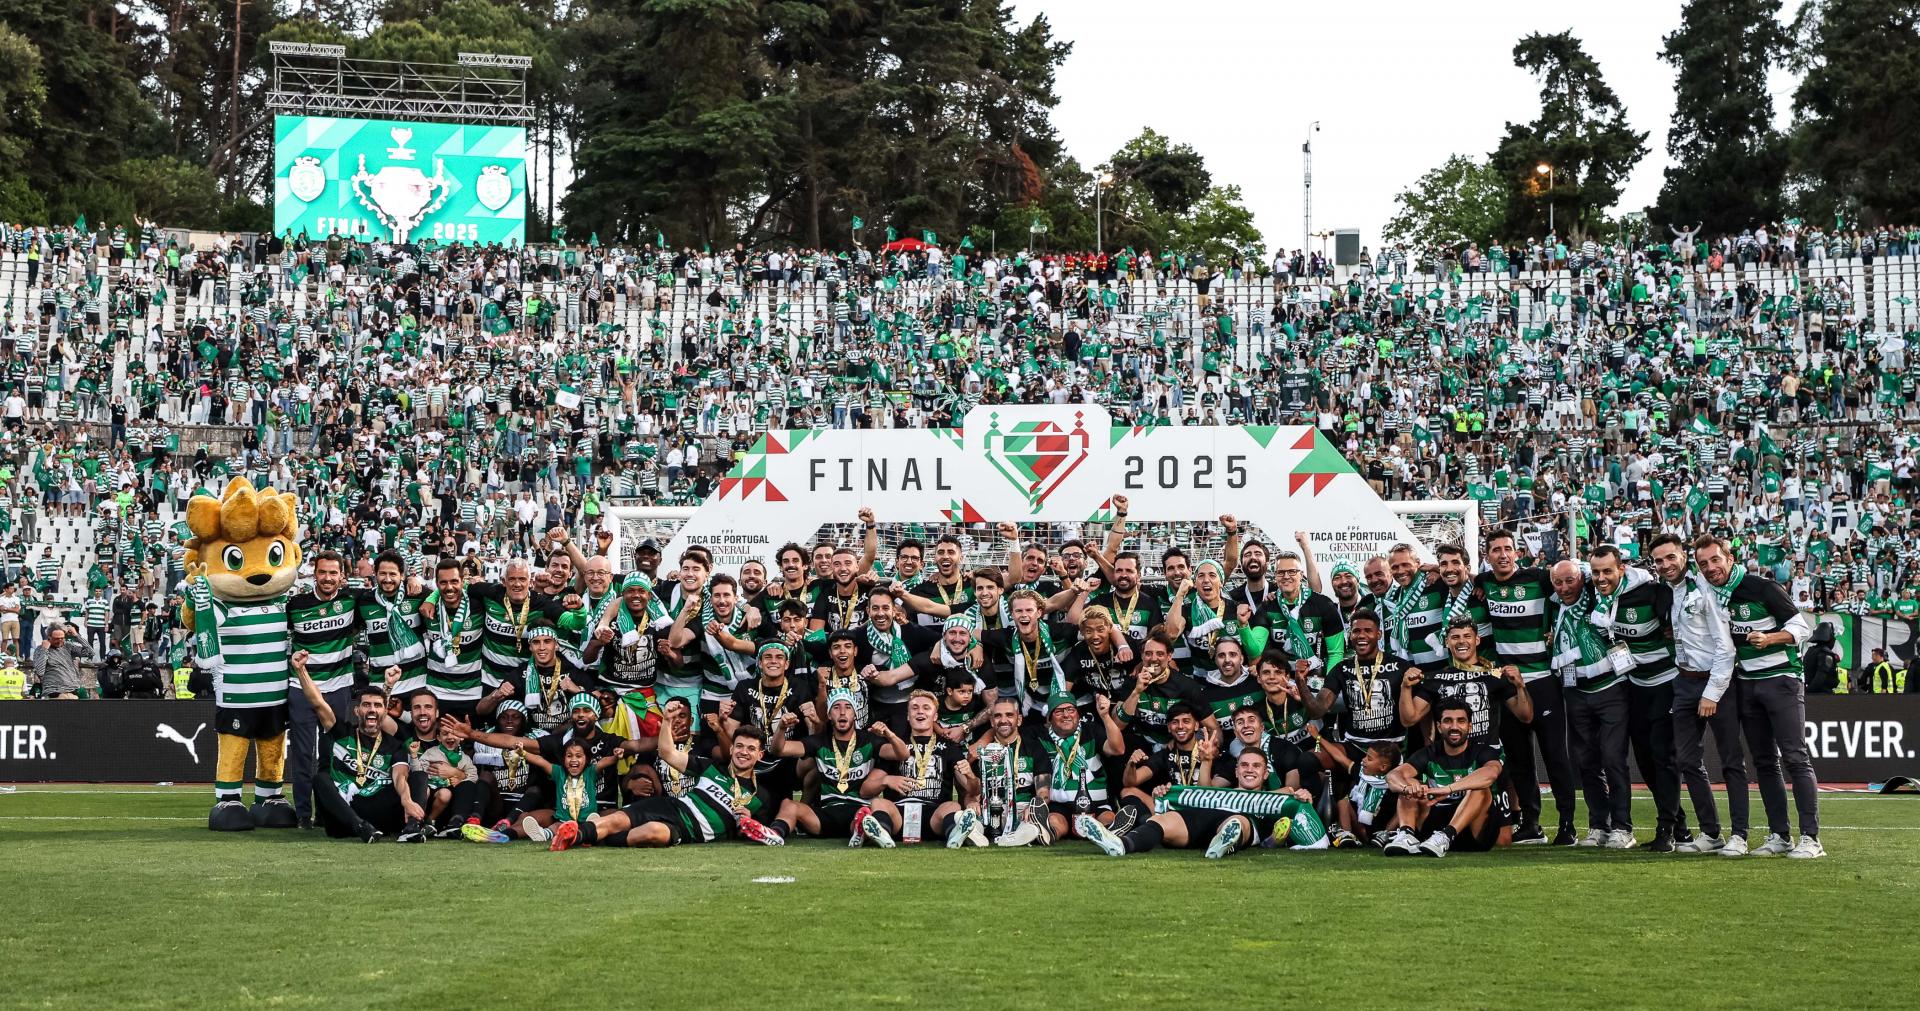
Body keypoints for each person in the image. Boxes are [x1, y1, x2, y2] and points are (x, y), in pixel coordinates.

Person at [1694, 536, 1824, 859]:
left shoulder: (1761, 587)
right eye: (1703, 564)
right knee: (1764, 761)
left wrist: (1770, 638)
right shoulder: (1712, 595)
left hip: (1781, 679)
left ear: (1729, 557)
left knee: (1795, 757)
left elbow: (1802, 626)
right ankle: (1780, 835)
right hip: (1748, 683)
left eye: (1715, 560)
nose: (1711, 568)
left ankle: (1812, 838)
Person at [1648, 532, 1749, 855]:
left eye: (1671, 557)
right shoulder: (1669, 592)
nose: (1665, 565)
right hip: (1684, 681)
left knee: (1731, 760)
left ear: (1683, 556)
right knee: (1687, 760)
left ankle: (1741, 835)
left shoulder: (1704, 588)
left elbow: (1725, 646)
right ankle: (1710, 833)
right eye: (1659, 561)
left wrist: (1713, 692)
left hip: (1715, 683)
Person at [1476, 530, 1575, 846]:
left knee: (1555, 755)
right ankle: (1532, 824)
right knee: (1519, 759)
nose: (1502, 555)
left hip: (1543, 680)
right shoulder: (1484, 584)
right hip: (1508, 686)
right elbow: (1464, 580)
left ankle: (1568, 825)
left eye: (1507, 549)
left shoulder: (1539, 579)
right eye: (1495, 550)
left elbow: (1570, 581)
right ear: (1487, 556)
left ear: (1516, 552)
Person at [293, 652, 421, 843]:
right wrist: (300, 669)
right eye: (366, 705)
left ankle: (412, 826)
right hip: (344, 817)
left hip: (380, 813)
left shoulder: (392, 743)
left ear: (384, 711)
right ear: (356, 710)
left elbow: (400, 776)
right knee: (321, 778)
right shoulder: (341, 732)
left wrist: (407, 800)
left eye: (377, 706)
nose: (371, 709)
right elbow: (318, 703)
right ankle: (360, 827)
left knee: (419, 776)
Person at [1380, 699, 1511, 857]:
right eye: (1448, 721)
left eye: (1461, 721)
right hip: (1432, 833)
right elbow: (1393, 775)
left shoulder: (1483, 750)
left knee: (1480, 789)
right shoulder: (1428, 752)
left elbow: (1490, 773)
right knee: (1410, 783)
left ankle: (1446, 836)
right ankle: (1407, 835)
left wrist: (1447, 789)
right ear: (1439, 727)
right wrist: (1407, 788)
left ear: (1469, 726)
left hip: (1473, 831)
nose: (1454, 727)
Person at [31, 623, 91, 699]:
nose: (60, 641)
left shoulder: (68, 646)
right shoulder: (40, 649)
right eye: (56, 638)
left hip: (72, 692)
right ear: (49, 637)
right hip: (53, 694)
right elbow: (40, 672)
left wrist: (76, 636)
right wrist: (44, 650)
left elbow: (90, 652)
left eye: (62, 638)